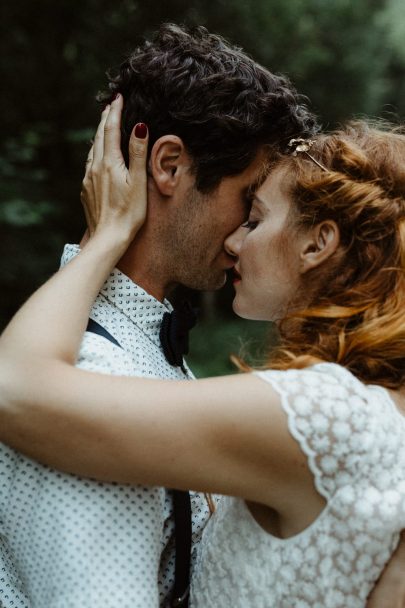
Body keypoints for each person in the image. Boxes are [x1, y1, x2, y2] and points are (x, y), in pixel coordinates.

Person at [1, 100, 405, 606]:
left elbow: (13, 386)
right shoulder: (374, 406)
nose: (237, 239)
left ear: (317, 244)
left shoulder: (322, 413)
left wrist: (105, 236)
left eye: (256, 220)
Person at [0, 23, 319, 608]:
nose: (246, 237)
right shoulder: (89, 380)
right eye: (248, 202)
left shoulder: (142, 352)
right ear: (168, 165)